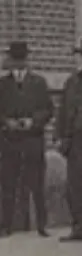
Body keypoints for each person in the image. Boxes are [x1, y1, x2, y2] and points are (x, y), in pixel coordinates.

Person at [0, 41, 53, 237]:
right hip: (10, 142)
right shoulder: (0, 85)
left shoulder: (39, 83)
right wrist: (5, 122)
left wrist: (33, 121)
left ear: (27, 60)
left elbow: (48, 109)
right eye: (14, 59)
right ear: (9, 60)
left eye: (21, 59)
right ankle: (6, 225)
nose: (18, 63)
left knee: (37, 184)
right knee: (9, 184)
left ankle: (42, 224)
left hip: (33, 141)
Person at [56, 38, 82, 242]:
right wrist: (59, 136)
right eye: (78, 53)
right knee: (74, 184)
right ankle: (78, 226)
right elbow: (63, 111)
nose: (79, 57)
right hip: (75, 140)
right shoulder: (71, 82)